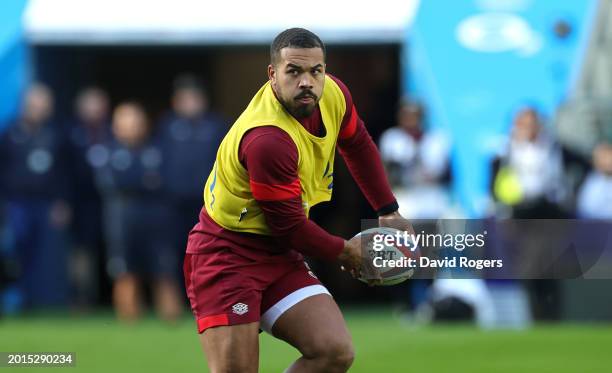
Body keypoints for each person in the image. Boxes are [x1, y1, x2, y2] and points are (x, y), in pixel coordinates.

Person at [183, 28, 413, 373]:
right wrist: (348, 252)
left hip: (277, 252)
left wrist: (388, 209)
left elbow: (358, 143)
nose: (307, 81)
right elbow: (289, 226)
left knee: (334, 352)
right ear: (273, 75)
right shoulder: (267, 138)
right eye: (294, 71)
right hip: (227, 254)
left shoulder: (333, 93)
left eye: (315, 71)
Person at [95, 102, 181, 322]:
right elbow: (113, 182)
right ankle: (129, 317)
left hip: (156, 219)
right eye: (126, 122)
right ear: (116, 126)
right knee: (125, 271)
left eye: (136, 122)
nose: (132, 127)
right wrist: (145, 181)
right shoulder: (107, 152)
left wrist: (139, 182)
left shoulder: (159, 151)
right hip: (122, 219)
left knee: (164, 269)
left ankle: (171, 318)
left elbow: (167, 182)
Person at [0, 83, 72, 311]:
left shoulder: (56, 134)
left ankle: (40, 302)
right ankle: (13, 301)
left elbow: (65, 173)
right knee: (15, 254)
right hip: (16, 204)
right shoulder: (10, 133)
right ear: (25, 105)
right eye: (35, 104)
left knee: (44, 257)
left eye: (44, 105)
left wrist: (63, 202)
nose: (39, 109)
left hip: (47, 205)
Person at [157, 75, 226, 263]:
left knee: (207, 252)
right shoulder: (167, 125)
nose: (190, 104)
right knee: (178, 253)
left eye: (194, 98)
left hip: (207, 205)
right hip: (174, 205)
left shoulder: (216, 125)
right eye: (184, 99)